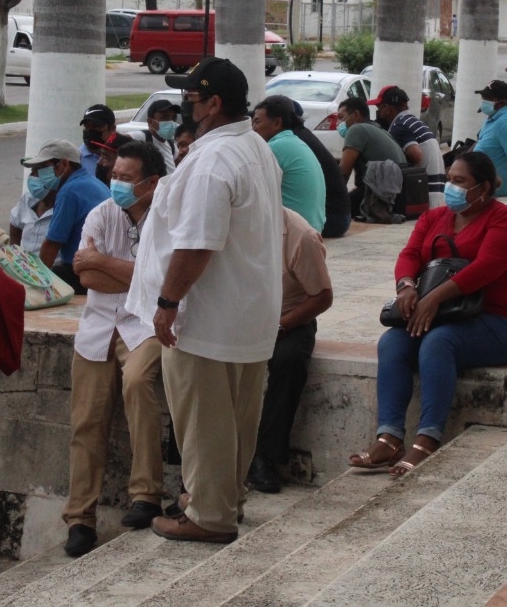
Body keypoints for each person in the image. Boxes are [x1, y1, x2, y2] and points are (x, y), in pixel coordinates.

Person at [126, 57, 283, 544]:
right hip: (247, 310)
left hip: (209, 316)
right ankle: (224, 500)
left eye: (189, 100)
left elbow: (196, 243)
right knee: (235, 418)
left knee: (204, 421)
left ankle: (209, 516)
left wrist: (168, 301)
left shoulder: (213, 160)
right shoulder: (255, 146)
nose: (181, 108)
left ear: (213, 104)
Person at [349, 151, 507, 477]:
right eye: (449, 180)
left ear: (483, 188)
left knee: (438, 343)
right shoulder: (435, 217)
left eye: (460, 182)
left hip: (494, 321)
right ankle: (389, 438)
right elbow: (410, 254)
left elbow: (485, 268)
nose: (452, 187)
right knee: (393, 342)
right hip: (439, 315)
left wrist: (434, 298)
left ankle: (427, 440)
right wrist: (406, 287)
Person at [62, 141, 168, 558]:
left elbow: (157, 280)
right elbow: (86, 278)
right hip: (98, 324)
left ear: (151, 183)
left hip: (145, 324)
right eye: (115, 176)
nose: (117, 184)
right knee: (86, 421)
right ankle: (79, 519)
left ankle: (146, 495)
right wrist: (125, 271)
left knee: (138, 384)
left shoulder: (165, 218)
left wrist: (101, 261)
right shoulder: (101, 214)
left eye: (126, 178)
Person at [247, 207, 333, 494]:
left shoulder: (300, 235)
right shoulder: (225, 222)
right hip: (239, 318)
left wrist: (278, 328)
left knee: (289, 360)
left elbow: (321, 296)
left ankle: (266, 457)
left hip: (288, 319)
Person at [22, 138, 110, 295]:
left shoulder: (69, 191)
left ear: (64, 165)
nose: (38, 174)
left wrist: (39, 286)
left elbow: (51, 245)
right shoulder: (91, 182)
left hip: (84, 270)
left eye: (43, 167)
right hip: (104, 267)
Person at [251, 95, 326, 232]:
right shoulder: (293, 141)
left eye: (257, 121)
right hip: (312, 230)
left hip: (294, 234)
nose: (253, 128)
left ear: (277, 123)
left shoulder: (275, 147)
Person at [368, 85, 446, 208]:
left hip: (424, 194)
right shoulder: (412, 122)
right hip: (436, 191)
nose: (378, 112)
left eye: (379, 107)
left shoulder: (399, 126)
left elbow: (417, 155)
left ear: (388, 108)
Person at [286, 101, 352, 239]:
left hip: (331, 221)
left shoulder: (288, 142)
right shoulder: (304, 135)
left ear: (277, 120)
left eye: (258, 120)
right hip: (338, 217)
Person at [335, 96, 408, 218]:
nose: (338, 123)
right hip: (398, 196)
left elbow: (343, 173)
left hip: (378, 197)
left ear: (355, 115)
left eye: (341, 117)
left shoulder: (356, 129)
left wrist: (334, 198)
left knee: (331, 210)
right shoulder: (377, 128)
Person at [132, 98, 179, 173]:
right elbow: (116, 139)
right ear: (150, 122)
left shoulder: (172, 146)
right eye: (164, 117)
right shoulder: (142, 137)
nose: (170, 122)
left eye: (173, 118)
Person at [9, 187, 57, 261]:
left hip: (51, 269)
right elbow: (15, 222)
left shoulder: (66, 205)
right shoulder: (29, 197)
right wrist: (15, 256)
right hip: (23, 266)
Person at [78, 104, 117, 178]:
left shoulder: (123, 155)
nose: (90, 131)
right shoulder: (76, 159)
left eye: (96, 126)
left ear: (112, 129)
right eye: (86, 126)